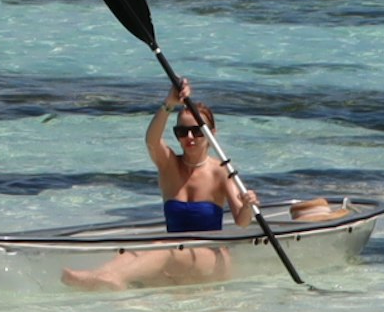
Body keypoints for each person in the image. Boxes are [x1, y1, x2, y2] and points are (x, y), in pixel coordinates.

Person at [61, 88, 345, 290]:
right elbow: (151, 140)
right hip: (175, 254)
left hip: (211, 258)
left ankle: (112, 279)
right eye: (182, 132)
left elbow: (243, 222)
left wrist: (247, 204)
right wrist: (168, 104)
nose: (189, 138)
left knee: (163, 248)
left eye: (197, 131)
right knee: (135, 252)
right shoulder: (169, 165)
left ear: (211, 134)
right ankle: (101, 276)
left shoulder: (222, 171)